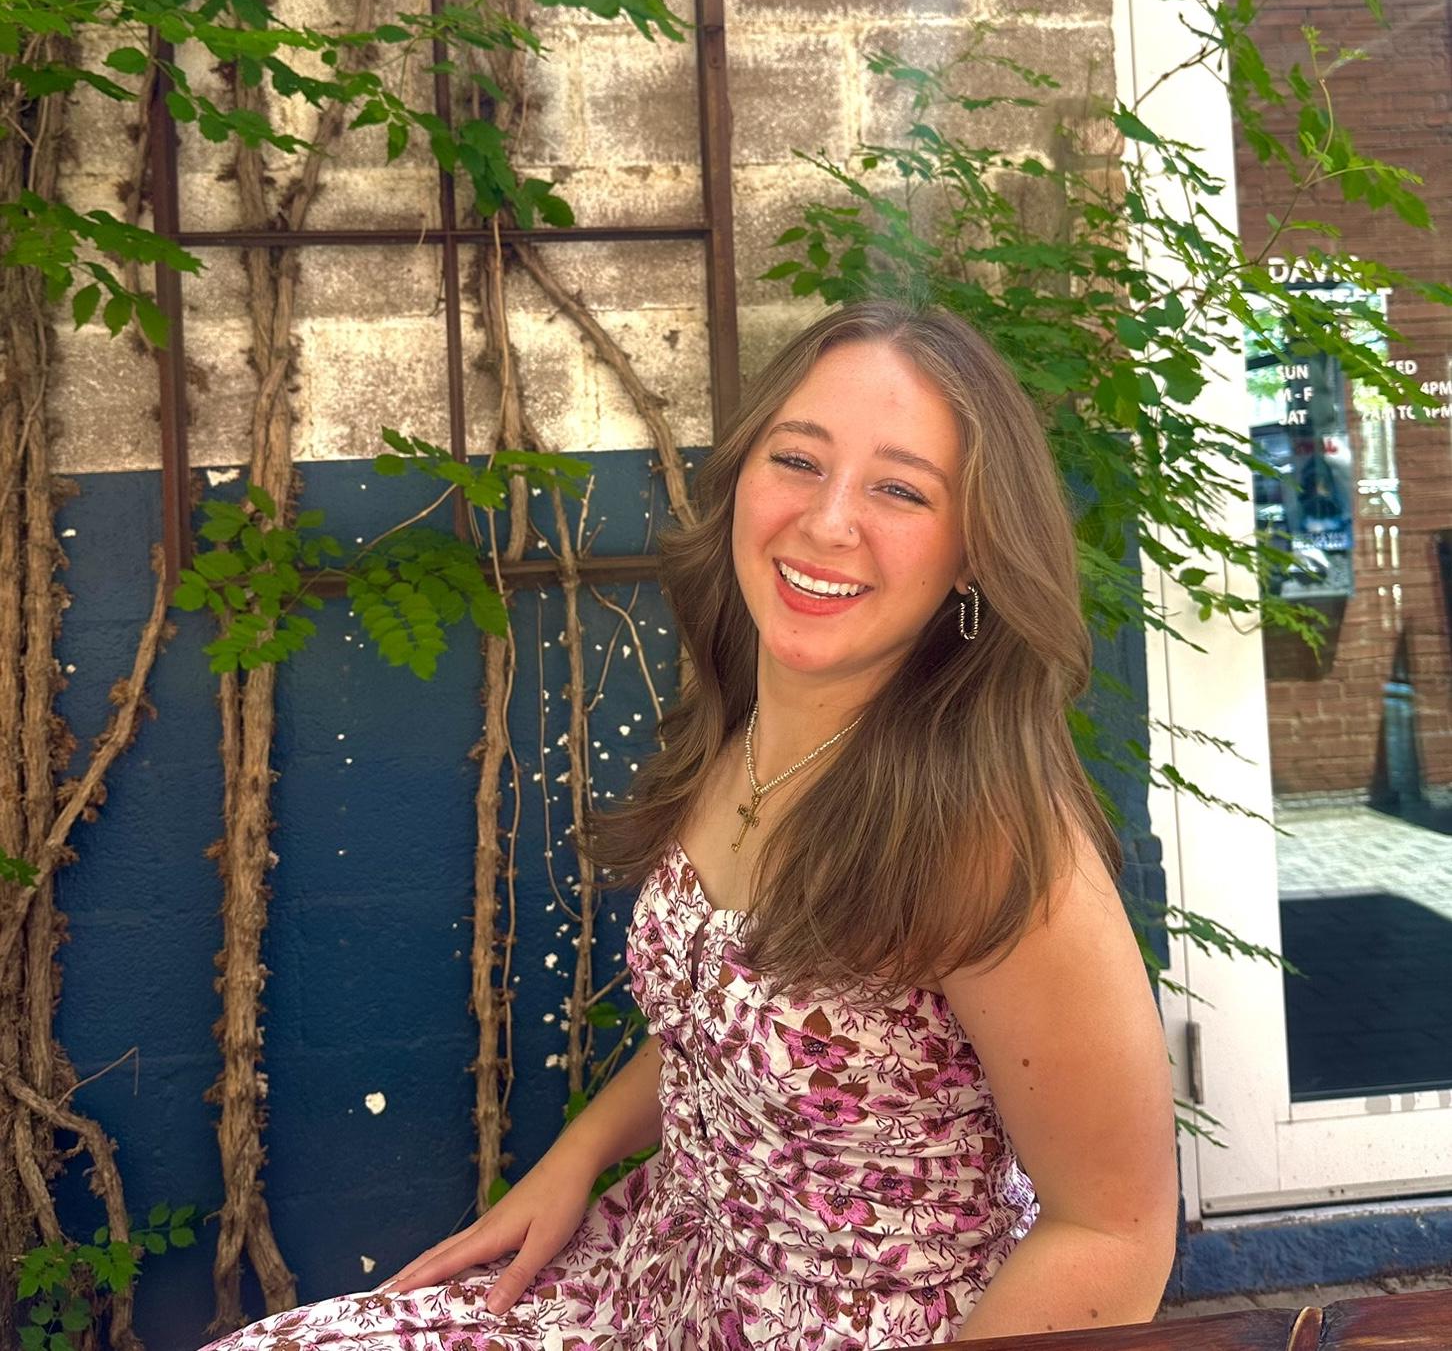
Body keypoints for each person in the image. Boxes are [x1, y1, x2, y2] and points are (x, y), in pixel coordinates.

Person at [199, 300, 1178, 1349]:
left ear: (974, 552)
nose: (828, 521)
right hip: (656, 1275)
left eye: (899, 489)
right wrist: (575, 1158)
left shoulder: (992, 841)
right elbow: (725, 1025)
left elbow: (1114, 1234)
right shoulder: (743, 730)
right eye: (797, 460)